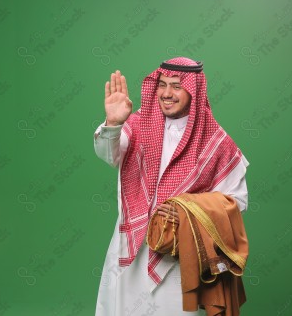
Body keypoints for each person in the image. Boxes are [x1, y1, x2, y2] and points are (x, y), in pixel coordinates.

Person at [93, 57, 249, 316]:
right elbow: (109, 155)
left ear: (194, 89)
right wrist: (113, 124)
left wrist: (189, 211)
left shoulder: (216, 141)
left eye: (176, 86)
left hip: (177, 254)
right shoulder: (137, 123)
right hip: (129, 245)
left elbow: (237, 201)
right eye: (162, 85)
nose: (166, 93)